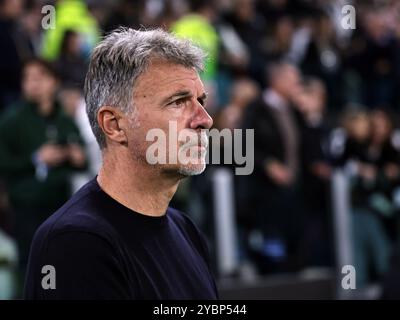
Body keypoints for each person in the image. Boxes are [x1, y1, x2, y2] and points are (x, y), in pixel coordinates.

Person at [24, 28, 218, 300]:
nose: (204, 119)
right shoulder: (75, 243)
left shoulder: (186, 230)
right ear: (114, 125)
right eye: (177, 102)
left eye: (200, 100)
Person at [0, 58, 87, 292]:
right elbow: (4, 162)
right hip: (27, 208)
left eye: (39, 78)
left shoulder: (65, 120)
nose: (32, 84)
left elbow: (82, 160)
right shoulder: (12, 120)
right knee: (29, 269)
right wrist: (36, 159)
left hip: (62, 207)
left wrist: (74, 155)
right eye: (27, 78)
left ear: (54, 82)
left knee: (64, 268)